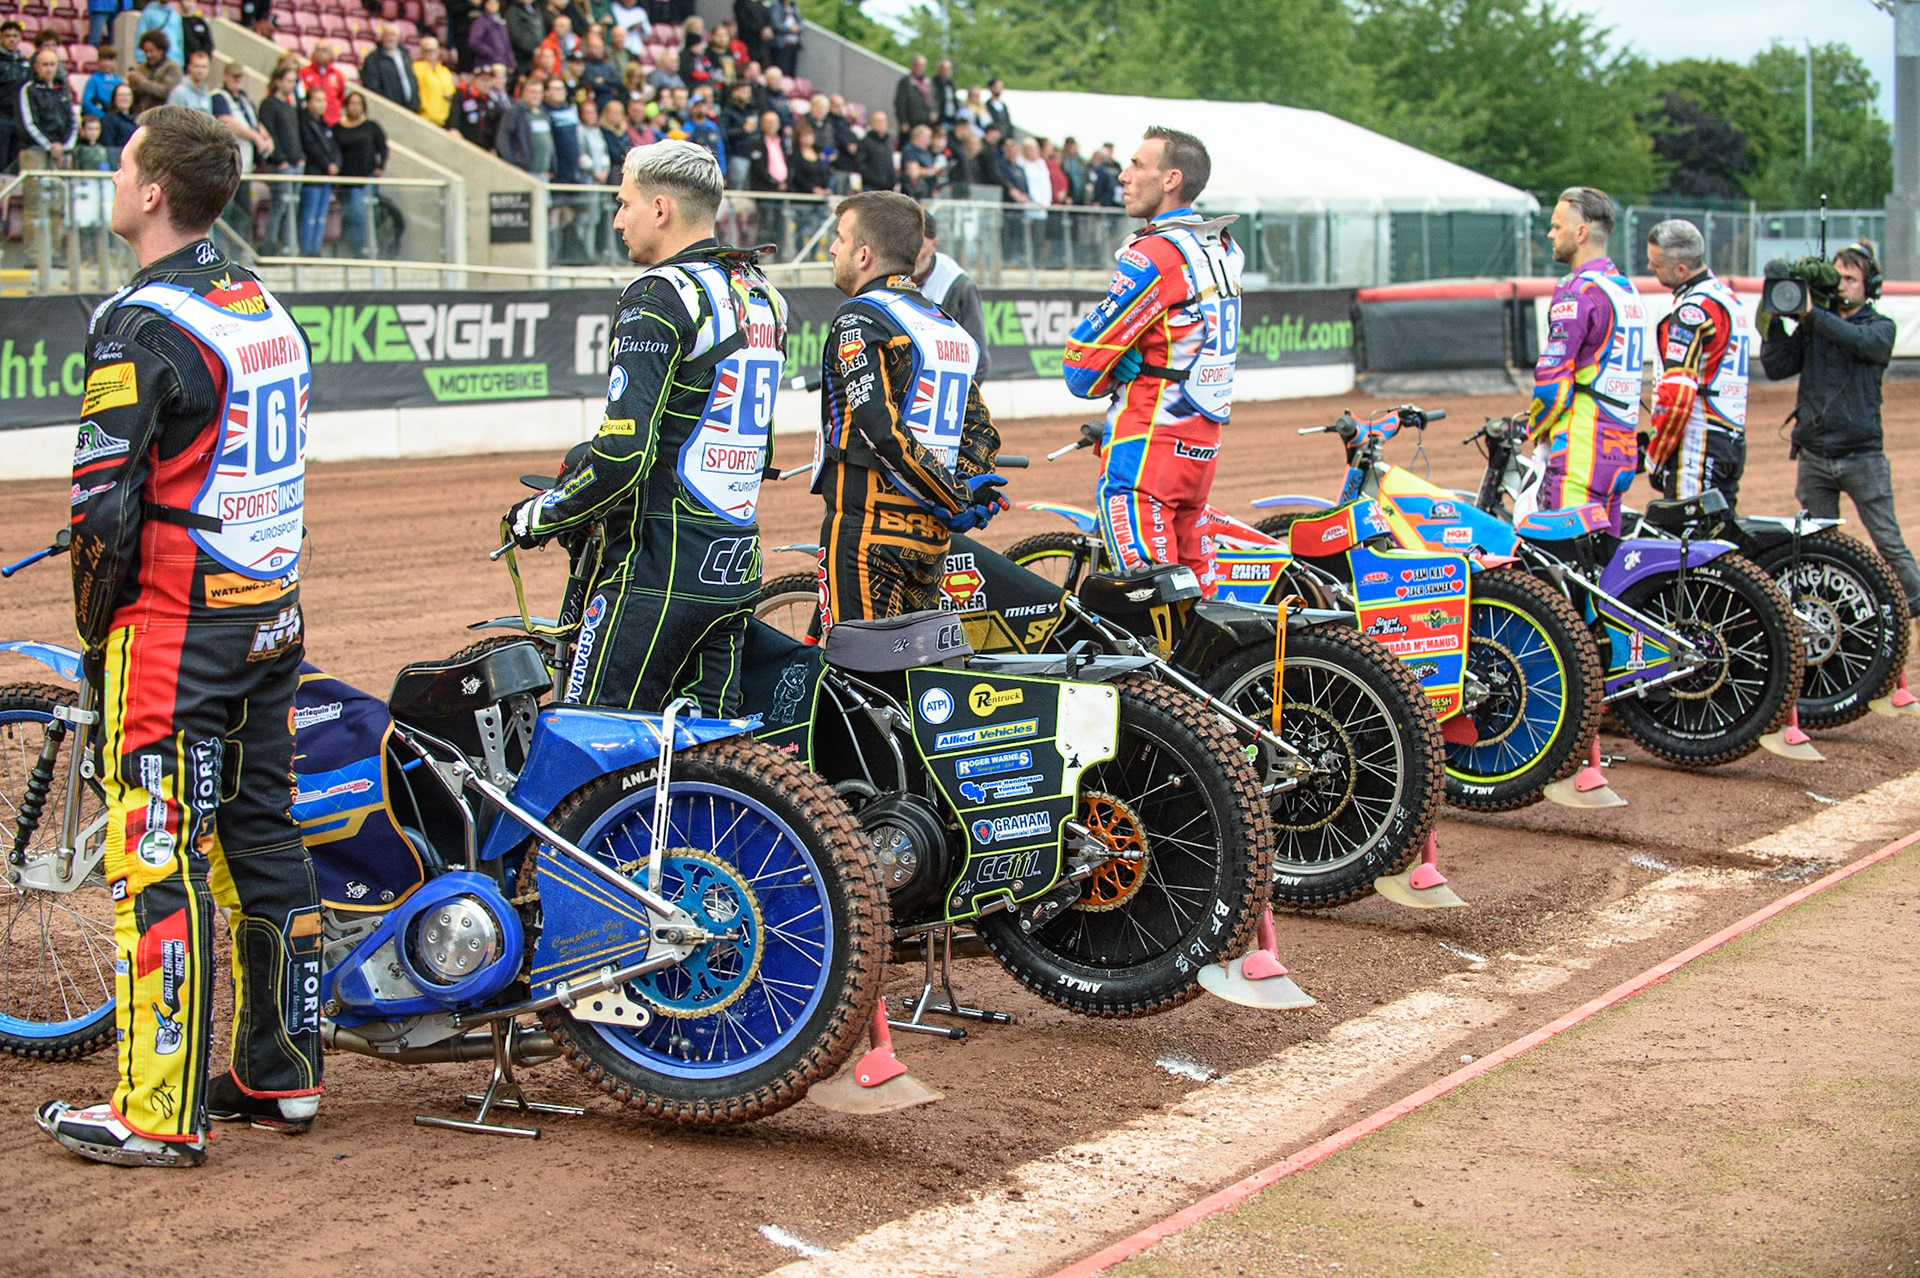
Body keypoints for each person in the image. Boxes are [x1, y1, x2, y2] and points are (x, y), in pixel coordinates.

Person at [36, 104, 321, 1169]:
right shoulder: (259, 303)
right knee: (261, 836)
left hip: (177, 626)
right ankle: (282, 1072)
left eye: (120, 168)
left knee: (156, 853)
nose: (111, 181)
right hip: (269, 616)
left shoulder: (139, 321)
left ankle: (155, 1110)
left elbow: (100, 508)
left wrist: (99, 623)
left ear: (153, 193)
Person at [505, 139, 787, 714]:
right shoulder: (762, 295)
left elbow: (622, 454)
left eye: (624, 202)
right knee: (711, 764)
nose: (616, 219)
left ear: (660, 208)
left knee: (592, 748)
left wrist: (543, 514)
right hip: (736, 562)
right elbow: (758, 444)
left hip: (657, 570)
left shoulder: (659, 293)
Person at [814, 189, 1003, 626]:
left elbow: (881, 428)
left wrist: (954, 498)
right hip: (931, 539)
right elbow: (979, 429)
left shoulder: (861, 317)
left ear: (863, 255)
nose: (832, 248)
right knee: (915, 674)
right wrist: (968, 491)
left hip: (867, 531)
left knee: (862, 672)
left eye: (839, 238)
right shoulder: (944, 323)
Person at [1061, 127, 1241, 584]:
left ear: (1170, 180)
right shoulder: (1221, 247)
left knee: (1151, 597)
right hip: (1201, 444)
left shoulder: (1155, 252)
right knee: (1198, 593)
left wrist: (1109, 365)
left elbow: (1080, 367)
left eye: (1138, 165)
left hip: (1147, 446)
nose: (1123, 175)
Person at [1762, 240, 1920, 616]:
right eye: (1839, 277)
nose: (1843, 284)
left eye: (1851, 278)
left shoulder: (1880, 327)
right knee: (1819, 546)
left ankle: (1917, 605)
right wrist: (1772, 315)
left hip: (1862, 456)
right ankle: (1834, 614)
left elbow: (1860, 343)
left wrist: (1813, 314)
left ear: (1870, 286)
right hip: (1815, 455)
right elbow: (1777, 367)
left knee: (1888, 541)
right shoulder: (1816, 326)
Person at [1525, 185, 1643, 533]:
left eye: (1557, 226)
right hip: (1622, 445)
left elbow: (1552, 379)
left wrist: (1536, 429)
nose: (1550, 234)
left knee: (1565, 568)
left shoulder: (1577, 291)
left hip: (1582, 448)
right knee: (1603, 565)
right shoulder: (1625, 289)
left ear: (1581, 232)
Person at [1641, 218, 1751, 507]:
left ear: (1681, 269)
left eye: (1656, 263)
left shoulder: (1691, 311)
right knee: (1721, 541)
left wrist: (1656, 454)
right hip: (1729, 438)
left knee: (1688, 545)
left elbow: (1677, 396)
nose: (1650, 268)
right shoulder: (1728, 299)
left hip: (1697, 444)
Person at [916, 207, 988, 378]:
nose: (912, 254)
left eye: (919, 246)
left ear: (934, 245)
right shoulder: (889, 276)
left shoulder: (958, 286)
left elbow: (979, 359)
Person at [332, 89, 386, 255]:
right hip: (345, 179)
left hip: (364, 177)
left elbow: (382, 148)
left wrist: (379, 166)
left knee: (360, 214)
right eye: (351, 103)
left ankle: (363, 249)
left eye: (358, 104)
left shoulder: (371, 127)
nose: (354, 107)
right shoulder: (338, 128)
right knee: (349, 215)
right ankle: (354, 248)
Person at [257, 60, 303, 251]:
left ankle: (288, 245)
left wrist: (299, 156)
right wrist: (280, 158)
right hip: (281, 164)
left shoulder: (290, 105)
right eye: (289, 81)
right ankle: (269, 245)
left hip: (295, 162)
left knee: (292, 206)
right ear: (278, 81)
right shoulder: (269, 104)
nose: (292, 86)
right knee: (280, 205)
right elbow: (270, 133)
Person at [211, 59, 272, 174]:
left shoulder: (244, 97)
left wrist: (266, 137)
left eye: (240, 76)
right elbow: (227, 122)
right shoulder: (219, 96)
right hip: (231, 158)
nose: (237, 79)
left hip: (248, 160)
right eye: (234, 76)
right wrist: (255, 137)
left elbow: (255, 121)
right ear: (225, 76)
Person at [296, 87, 339, 252]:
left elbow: (333, 147)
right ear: (308, 102)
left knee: (321, 216)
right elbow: (310, 147)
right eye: (318, 100)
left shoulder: (324, 124)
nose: (323, 104)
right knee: (310, 216)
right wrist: (327, 164)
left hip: (326, 177)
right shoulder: (305, 122)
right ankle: (307, 250)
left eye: (324, 100)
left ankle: (316, 249)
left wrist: (336, 163)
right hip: (313, 175)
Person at [20, 47, 76, 166]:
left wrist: (65, 146)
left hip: (63, 150)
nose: (49, 69)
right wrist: (49, 145)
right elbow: (28, 123)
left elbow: (73, 121)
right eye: (45, 65)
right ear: (36, 67)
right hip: (36, 149)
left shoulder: (62, 90)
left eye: (52, 64)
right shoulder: (29, 90)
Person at [362, 24, 419, 113]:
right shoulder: (373, 59)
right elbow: (372, 87)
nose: (391, 38)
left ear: (399, 37)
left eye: (394, 35)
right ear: (382, 37)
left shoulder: (405, 56)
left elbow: (412, 81)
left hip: (409, 109)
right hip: (388, 110)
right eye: (388, 35)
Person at [129, 30, 182, 116]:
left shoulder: (172, 68)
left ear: (161, 50)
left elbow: (167, 92)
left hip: (163, 116)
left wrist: (142, 82)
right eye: (145, 51)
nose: (148, 55)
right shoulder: (140, 68)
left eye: (151, 51)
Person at [495, 72, 541, 171]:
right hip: (522, 169)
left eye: (539, 92)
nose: (536, 96)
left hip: (542, 171)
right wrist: (511, 164)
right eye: (533, 92)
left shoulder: (543, 113)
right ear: (523, 92)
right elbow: (503, 138)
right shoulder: (514, 111)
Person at [0, 21, 30, 174]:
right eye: (8, 36)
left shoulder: (24, 63)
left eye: (15, 36)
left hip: (19, 121)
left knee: (15, 164)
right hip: (2, 118)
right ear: (1, 38)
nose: (11, 39)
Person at [297, 41, 346, 126]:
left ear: (330, 53)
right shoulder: (304, 72)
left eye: (324, 50)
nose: (320, 53)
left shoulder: (338, 75)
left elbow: (341, 98)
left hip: (332, 122)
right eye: (318, 50)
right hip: (310, 122)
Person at [414, 37, 456, 126]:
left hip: (443, 121)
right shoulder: (416, 68)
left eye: (433, 50)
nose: (430, 53)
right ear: (422, 51)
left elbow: (451, 93)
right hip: (423, 118)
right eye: (427, 50)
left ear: (438, 51)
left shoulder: (445, 71)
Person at [892, 52, 932, 147]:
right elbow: (900, 102)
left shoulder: (928, 82)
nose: (919, 68)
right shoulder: (905, 82)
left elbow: (933, 99)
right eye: (917, 65)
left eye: (922, 65)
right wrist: (903, 121)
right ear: (912, 66)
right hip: (910, 122)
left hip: (925, 122)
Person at [469, 0, 515, 77]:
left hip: (502, 62)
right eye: (491, 3)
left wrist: (511, 61)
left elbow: (507, 44)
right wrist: (492, 54)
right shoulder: (480, 22)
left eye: (496, 3)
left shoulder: (501, 22)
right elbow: (475, 42)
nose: (494, 5)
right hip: (486, 63)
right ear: (485, 5)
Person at [81, 46, 125, 121]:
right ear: (98, 61)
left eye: (110, 60)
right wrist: (101, 116)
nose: (107, 64)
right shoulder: (94, 80)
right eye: (104, 60)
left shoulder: (119, 81)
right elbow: (87, 102)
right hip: (100, 118)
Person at [853, 108, 893, 193]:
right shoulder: (864, 142)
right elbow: (861, 165)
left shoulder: (888, 143)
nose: (881, 124)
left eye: (883, 121)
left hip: (887, 188)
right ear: (872, 123)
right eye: (878, 121)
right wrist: (875, 180)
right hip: (871, 187)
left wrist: (892, 180)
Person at [166, 48, 214, 114]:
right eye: (197, 66)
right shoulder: (179, 92)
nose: (200, 71)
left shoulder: (206, 93)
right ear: (189, 67)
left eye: (204, 67)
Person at [101, 81, 140, 159]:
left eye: (128, 95)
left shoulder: (138, 119)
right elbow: (109, 145)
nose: (125, 98)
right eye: (121, 95)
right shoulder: (109, 120)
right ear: (114, 98)